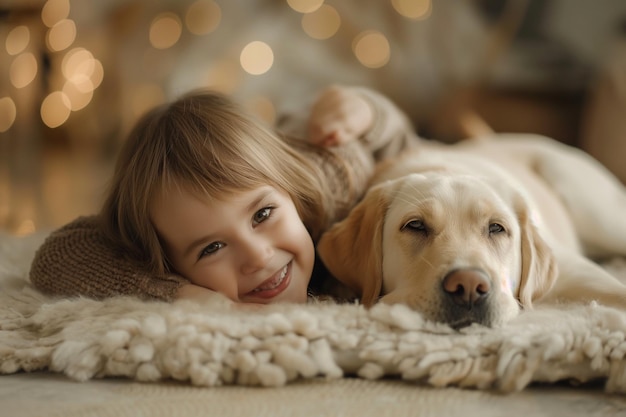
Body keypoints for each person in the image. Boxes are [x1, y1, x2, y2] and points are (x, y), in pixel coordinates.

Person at [29, 85, 418, 305]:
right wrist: (181, 294)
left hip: (304, 135)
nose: (257, 256)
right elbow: (57, 255)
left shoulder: (336, 177)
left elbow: (402, 142)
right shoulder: (160, 237)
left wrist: (367, 111)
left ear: (291, 194)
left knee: (332, 114)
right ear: (169, 262)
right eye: (211, 248)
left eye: (263, 215)